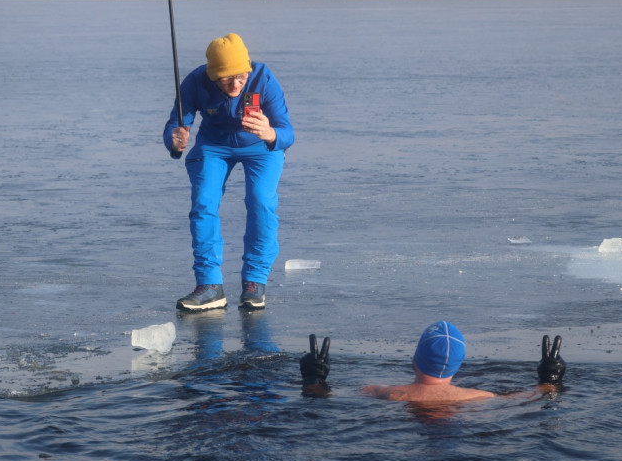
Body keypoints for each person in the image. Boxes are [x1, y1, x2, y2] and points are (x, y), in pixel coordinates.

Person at [164, 33, 294, 312]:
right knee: (204, 203)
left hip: (260, 147)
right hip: (214, 146)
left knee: (260, 201)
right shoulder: (195, 81)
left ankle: (254, 283)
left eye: (241, 77)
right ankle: (210, 285)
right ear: (212, 75)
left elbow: (287, 132)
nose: (235, 84)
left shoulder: (264, 78)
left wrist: (271, 133)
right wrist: (174, 141)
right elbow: (179, 120)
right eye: (226, 78)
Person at [299, 322, 565, 402]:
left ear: (415, 358)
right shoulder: (481, 398)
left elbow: (325, 395)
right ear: (459, 365)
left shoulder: (382, 392)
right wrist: (550, 381)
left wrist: (314, 380)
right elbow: (533, 395)